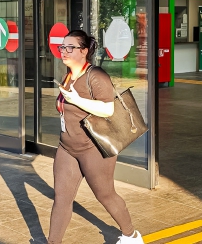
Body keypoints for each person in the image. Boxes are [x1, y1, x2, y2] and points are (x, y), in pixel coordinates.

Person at [49, 30, 143, 244]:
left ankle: (131, 235)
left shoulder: (96, 75)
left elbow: (108, 109)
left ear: (83, 51)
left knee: (105, 195)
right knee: (62, 199)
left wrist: (75, 99)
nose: (64, 51)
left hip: (94, 149)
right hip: (67, 147)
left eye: (70, 47)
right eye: (63, 47)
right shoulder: (68, 75)